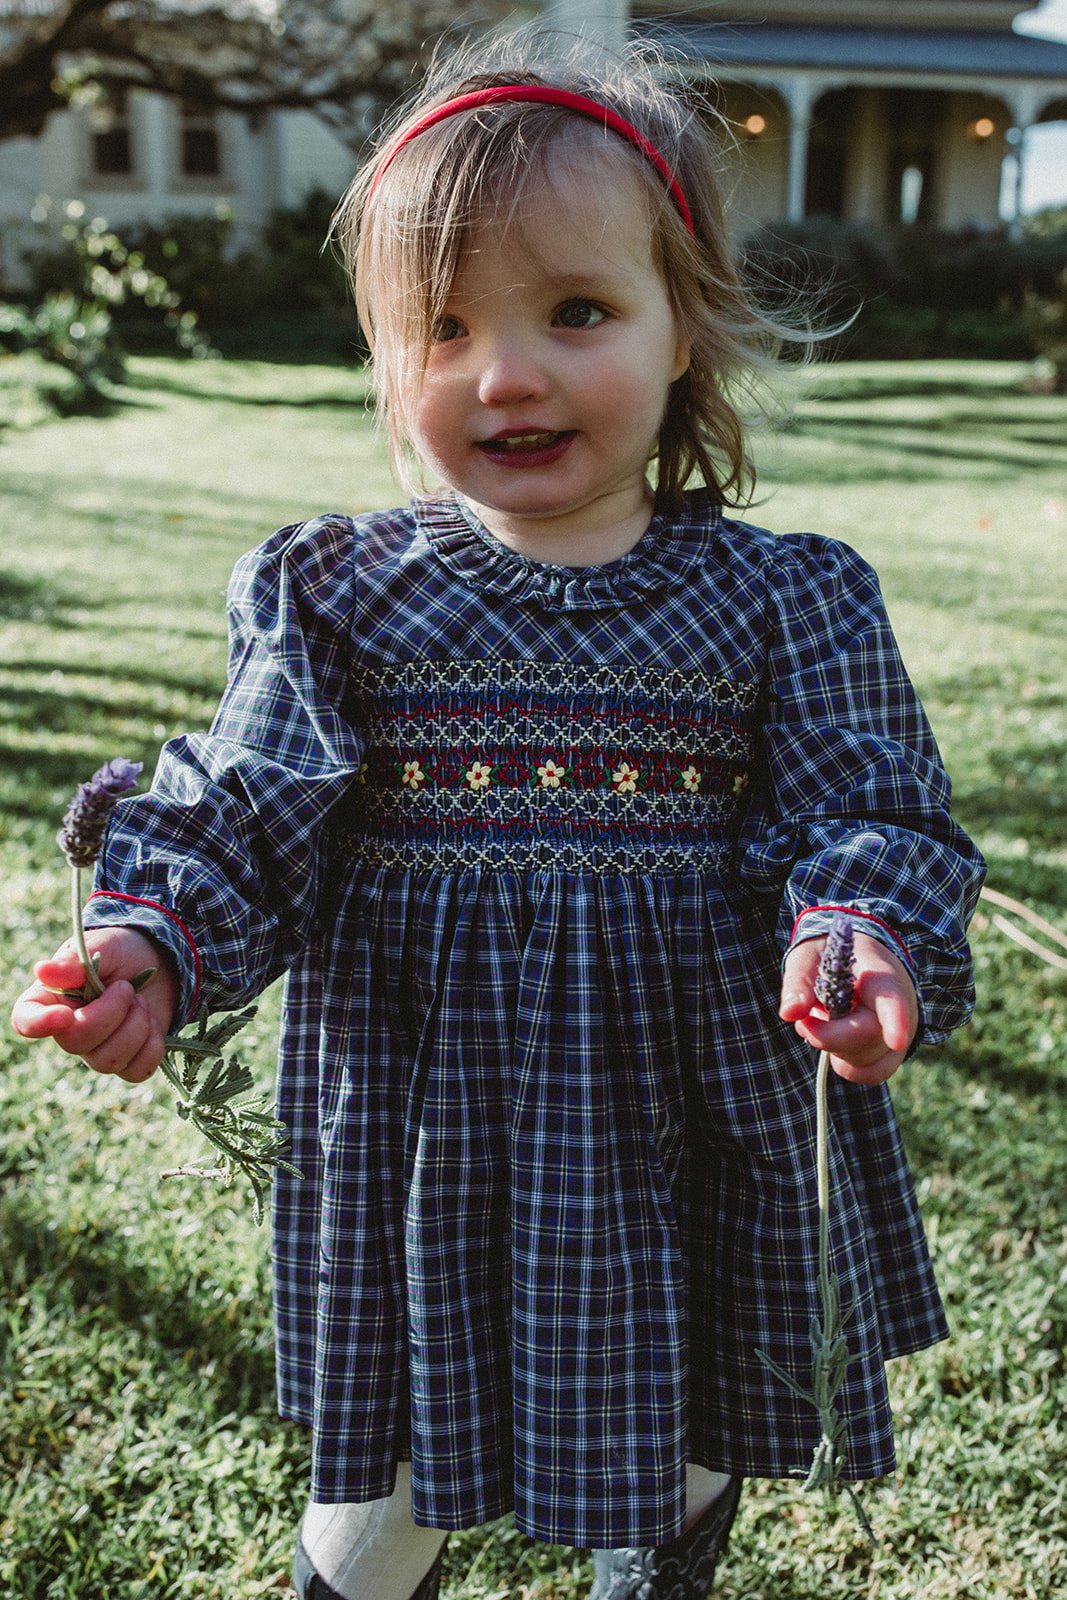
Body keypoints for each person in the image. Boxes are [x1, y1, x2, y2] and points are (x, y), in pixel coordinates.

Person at [11, 31, 985, 1600]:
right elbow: (247, 810)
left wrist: (857, 934)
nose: (505, 374)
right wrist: (151, 939)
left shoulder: (785, 600)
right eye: (443, 326)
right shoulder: (335, 595)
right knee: (393, 1476)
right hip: (427, 1140)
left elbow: (866, 810)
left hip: (694, 1123)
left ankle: (658, 1563)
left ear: (686, 326)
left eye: (575, 311)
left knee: (683, 1430)